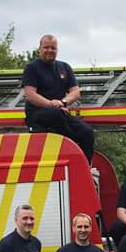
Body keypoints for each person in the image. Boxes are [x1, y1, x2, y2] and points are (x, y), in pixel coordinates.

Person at [22, 34, 95, 163]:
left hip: (60, 112)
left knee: (87, 132)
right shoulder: (31, 68)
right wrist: (52, 104)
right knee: (56, 114)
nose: (50, 50)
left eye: (53, 48)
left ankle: (85, 166)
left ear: (57, 50)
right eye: (46, 47)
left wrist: (63, 102)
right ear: (40, 49)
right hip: (38, 114)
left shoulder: (64, 67)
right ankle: (72, 144)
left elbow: (75, 91)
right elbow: (30, 94)